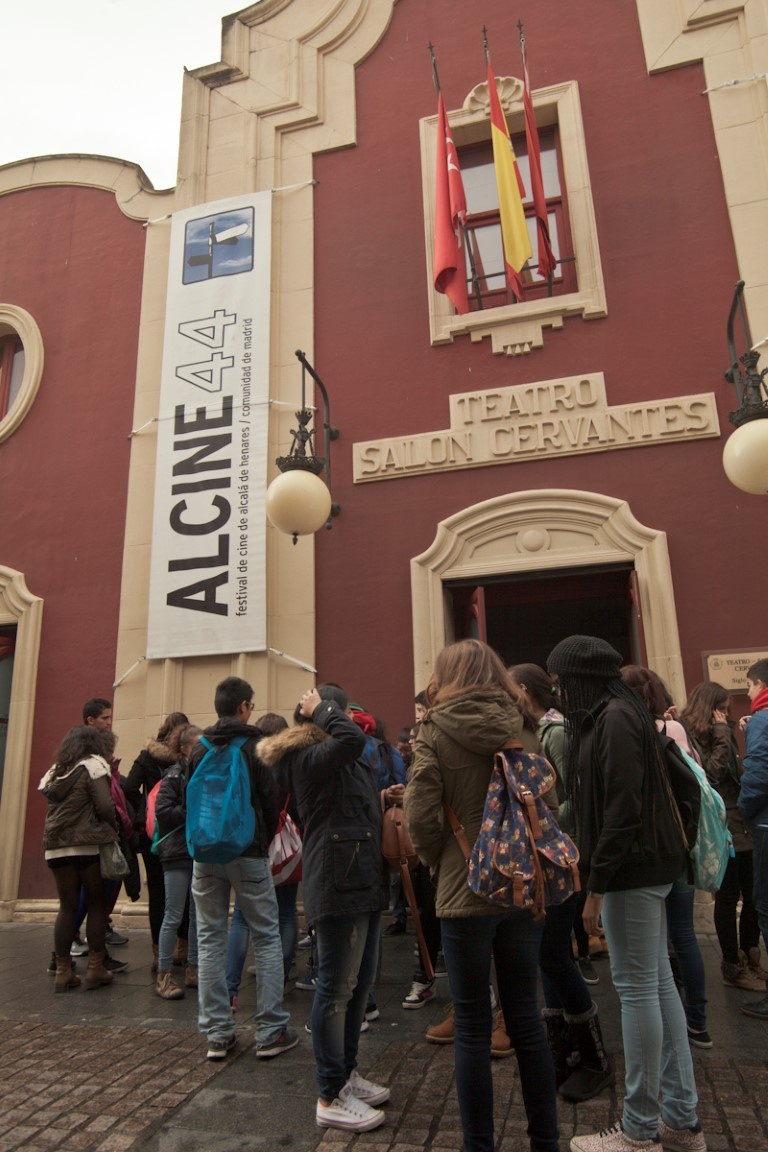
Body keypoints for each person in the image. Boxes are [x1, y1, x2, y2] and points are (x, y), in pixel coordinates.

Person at [547, 635, 705, 1152]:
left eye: (561, 680)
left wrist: (596, 886)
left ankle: (640, 1129)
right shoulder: (621, 710)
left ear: (580, 678)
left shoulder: (613, 718)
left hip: (632, 871)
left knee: (638, 992)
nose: (557, 689)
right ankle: (680, 1119)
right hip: (645, 866)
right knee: (657, 986)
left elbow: (621, 810)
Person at [405, 638, 560, 1152]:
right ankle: (545, 1140)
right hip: (520, 885)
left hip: (463, 884)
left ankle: (479, 1146)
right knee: (525, 1018)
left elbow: (423, 816)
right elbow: (547, 799)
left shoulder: (433, 728)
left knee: (471, 1024)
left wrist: (438, 861)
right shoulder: (523, 724)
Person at [258, 684, 392, 1133]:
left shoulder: (337, 753)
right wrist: (324, 708)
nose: (348, 716)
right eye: (340, 710)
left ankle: (347, 1073)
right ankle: (330, 1093)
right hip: (337, 880)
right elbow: (352, 739)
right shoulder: (306, 756)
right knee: (335, 988)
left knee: (358, 985)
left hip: (363, 877)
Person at [509, 662, 614, 1102]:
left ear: (525, 690)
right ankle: (565, 1048)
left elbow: (572, 797)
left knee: (554, 957)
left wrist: (544, 826)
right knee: (549, 956)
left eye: (510, 687)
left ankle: (594, 1056)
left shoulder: (552, 734)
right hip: (547, 860)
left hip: (558, 857)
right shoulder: (537, 730)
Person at [187, 677, 294, 1061]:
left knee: (210, 938)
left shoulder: (198, 750)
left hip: (205, 855)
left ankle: (217, 1032)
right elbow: (271, 799)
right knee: (266, 934)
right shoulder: (255, 747)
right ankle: (270, 1030)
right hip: (248, 850)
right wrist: (261, 841)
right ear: (245, 707)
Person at [621, 664, 713, 1049]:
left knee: (654, 946)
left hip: (652, 847)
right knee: (684, 935)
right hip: (681, 844)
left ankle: (666, 1016)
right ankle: (697, 1021)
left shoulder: (635, 731)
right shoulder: (674, 728)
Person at [680, 681, 764, 991]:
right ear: (710, 707)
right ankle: (732, 964)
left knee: (754, 894)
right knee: (727, 898)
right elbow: (711, 776)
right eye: (724, 709)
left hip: (743, 821)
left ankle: (750, 957)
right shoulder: (694, 736)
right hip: (720, 825)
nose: (727, 715)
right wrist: (722, 735)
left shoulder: (724, 733)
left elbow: (738, 775)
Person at [40, 725, 120, 992]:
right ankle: (95, 969)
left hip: (55, 847)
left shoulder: (56, 771)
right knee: (96, 905)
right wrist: (114, 826)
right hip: (87, 845)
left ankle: (63, 971)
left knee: (67, 907)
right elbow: (106, 806)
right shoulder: (92, 766)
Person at [124, 711, 189, 971]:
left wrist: (145, 810)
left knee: (158, 894)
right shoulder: (187, 758)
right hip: (180, 829)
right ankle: (182, 947)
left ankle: (157, 952)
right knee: (184, 891)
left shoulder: (147, 755)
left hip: (151, 834)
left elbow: (129, 787)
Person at [153, 723, 202, 999]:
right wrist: (192, 811)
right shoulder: (174, 774)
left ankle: (193, 968)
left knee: (197, 913)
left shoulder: (198, 772)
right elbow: (163, 811)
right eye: (197, 744)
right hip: (176, 851)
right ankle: (164, 974)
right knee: (173, 914)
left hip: (196, 850)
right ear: (184, 749)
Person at [738, 658, 768, 1019]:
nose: (746, 692)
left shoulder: (762, 720)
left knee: (765, 904)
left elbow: (759, 770)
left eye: (749, 686)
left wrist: (746, 807)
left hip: (765, 825)